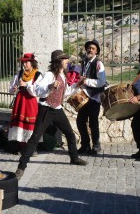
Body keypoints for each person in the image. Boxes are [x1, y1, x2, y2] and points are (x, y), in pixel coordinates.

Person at [15, 49, 88, 180]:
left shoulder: (64, 76)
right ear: (59, 61)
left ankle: (74, 158)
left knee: (70, 135)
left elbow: (65, 93)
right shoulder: (49, 75)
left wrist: (78, 84)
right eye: (65, 59)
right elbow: (38, 90)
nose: (67, 61)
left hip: (58, 109)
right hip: (46, 109)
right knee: (34, 138)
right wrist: (50, 86)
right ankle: (21, 168)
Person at [6, 53, 42, 155]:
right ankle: (21, 146)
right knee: (20, 124)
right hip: (20, 101)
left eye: (27, 62)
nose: (24, 64)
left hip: (30, 101)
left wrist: (26, 85)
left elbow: (37, 91)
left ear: (32, 63)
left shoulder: (38, 75)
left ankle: (32, 147)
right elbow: (10, 89)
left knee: (31, 125)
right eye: (23, 62)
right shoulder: (19, 74)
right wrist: (13, 89)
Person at [76, 39, 107, 155]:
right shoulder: (84, 61)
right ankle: (85, 145)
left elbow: (102, 82)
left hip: (94, 97)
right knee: (80, 121)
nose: (90, 50)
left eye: (93, 48)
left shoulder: (98, 63)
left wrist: (87, 81)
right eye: (89, 48)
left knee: (93, 122)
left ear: (96, 51)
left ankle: (96, 145)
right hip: (84, 96)